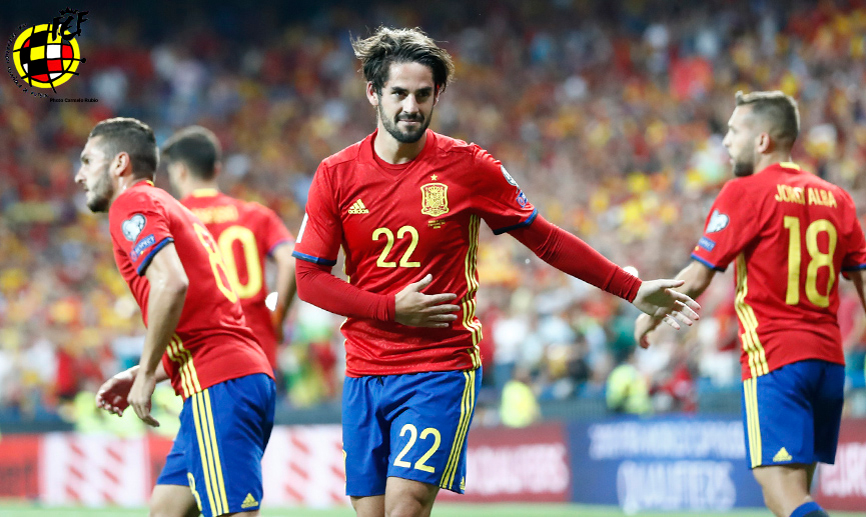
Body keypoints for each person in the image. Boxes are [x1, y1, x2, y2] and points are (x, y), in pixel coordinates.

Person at [293, 27, 701, 517]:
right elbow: (309, 279)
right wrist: (389, 308)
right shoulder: (335, 174)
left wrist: (631, 288)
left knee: (404, 508)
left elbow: (546, 239)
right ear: (373, 93)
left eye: (423, 95)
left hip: (438, 366)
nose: (410, 107)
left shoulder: (467, 166)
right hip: (364, 371)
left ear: (437, 94)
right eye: (398, 93)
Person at [635, 91, 866, 517]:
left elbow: (700, 274)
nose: (725, 141)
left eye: (733, 131)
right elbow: (862, 279)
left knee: (780, 491)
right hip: (829, 363)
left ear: (762, 141)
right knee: (797, 490)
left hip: (775, 359)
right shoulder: (838, 198)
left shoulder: (745, 192)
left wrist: (650, 312)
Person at [76, 117, 275, 517]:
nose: (78, 176)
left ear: (119, 164)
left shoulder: (130, 203)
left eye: (86, 161)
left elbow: (172, 284)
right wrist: (143, 372)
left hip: (218, 383)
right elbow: (203, 318)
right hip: (225, 376)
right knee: (165, 511)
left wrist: (147, 372)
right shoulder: (171, 205)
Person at [162, 125, 297, 371]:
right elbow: (291, 261)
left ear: (179, 171)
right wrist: (277, 315)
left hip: (206, 351)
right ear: (217, 169)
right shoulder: (256, 214)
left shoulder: (170, 220)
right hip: (258, 346)